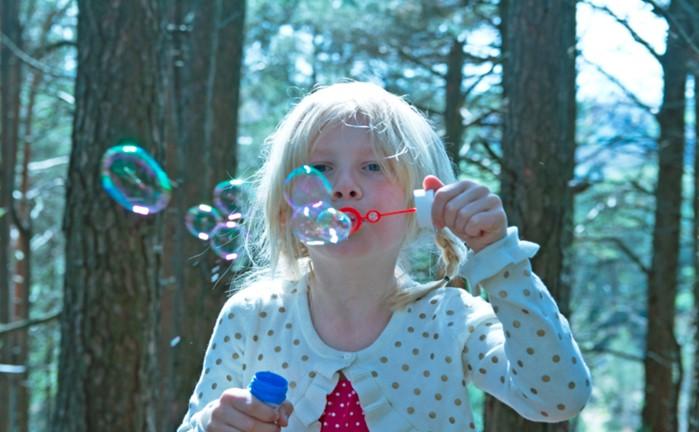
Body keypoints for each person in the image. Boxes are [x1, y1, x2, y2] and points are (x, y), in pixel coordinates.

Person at [177, 82, 591, 432]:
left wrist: (501, 261)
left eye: (373, 167)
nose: (344, 187)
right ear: (287, 208)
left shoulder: (450, 319)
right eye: (320, 167)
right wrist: (214, 424)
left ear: (422, 203)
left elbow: (558, 398)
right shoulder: (252, 317)